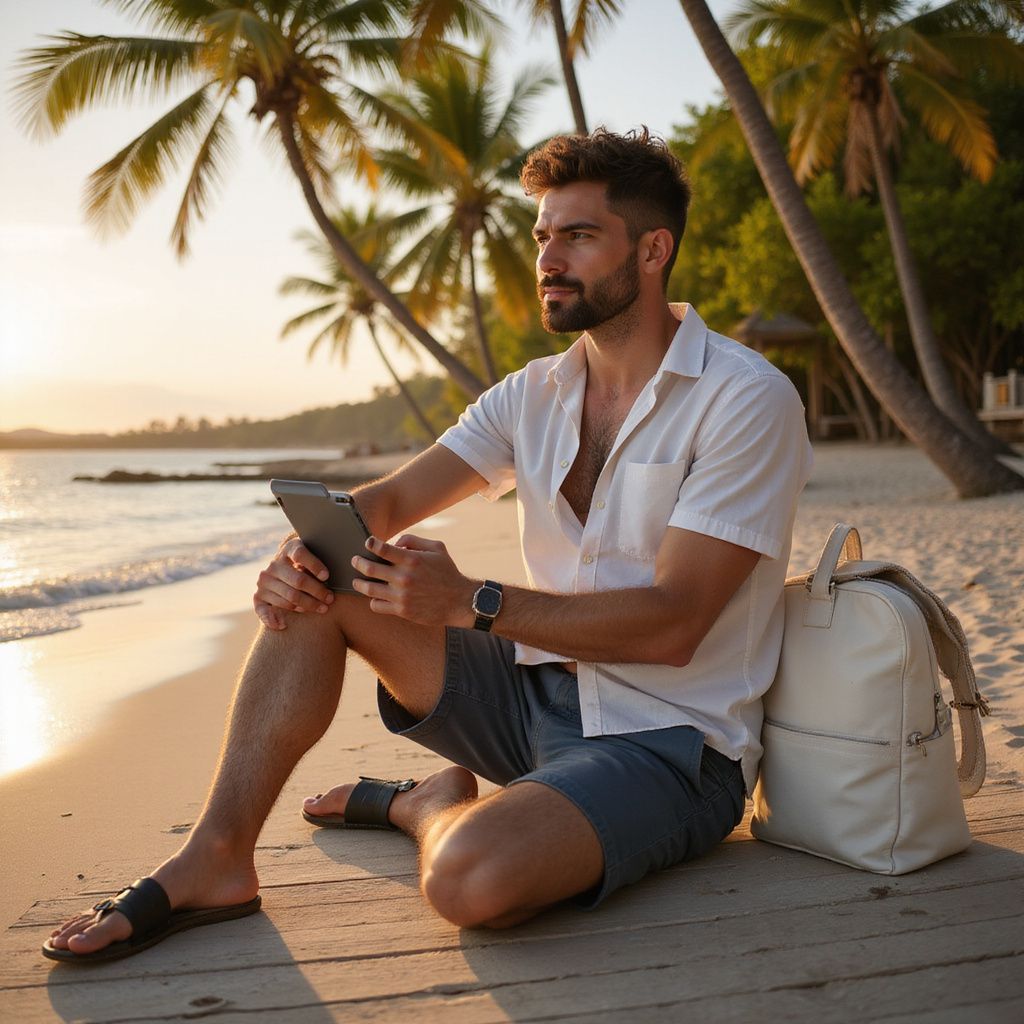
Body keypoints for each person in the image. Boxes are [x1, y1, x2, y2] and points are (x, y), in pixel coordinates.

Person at [44, 128, 813, 962]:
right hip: (534, 698)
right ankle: (218, 855)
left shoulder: (745, 400)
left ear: (653, 249)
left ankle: (425, 806)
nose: (549, 258)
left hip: (668, 748)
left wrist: (471, 602)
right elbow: (390, 500)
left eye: (579, 236)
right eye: (543, 236)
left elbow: (676, 625)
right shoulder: (534, 394)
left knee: (469, 882)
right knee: (326, 575)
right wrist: (298, 554)